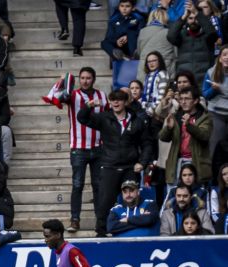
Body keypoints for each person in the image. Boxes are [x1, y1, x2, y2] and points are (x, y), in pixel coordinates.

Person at [77, 89, 152, 236]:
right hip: (109, 166)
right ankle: (101, 232)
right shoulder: (104, 118)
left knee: (131, 199)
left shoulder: (137, 120)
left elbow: (147, 143)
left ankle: (131, 229)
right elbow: (82, 118)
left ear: (125, 102)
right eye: (112, 100)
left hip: (130, 167)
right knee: (105, 201)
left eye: (119, 99)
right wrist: (89, 106)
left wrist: (142, 163)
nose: (115, 102)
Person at [43, 67, 108, 233]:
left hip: (98, 147)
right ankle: (75, 220)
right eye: (82, 78)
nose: (85, 81)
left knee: (98, 185)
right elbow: (54, 98)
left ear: (94, 79)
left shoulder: (102, 95)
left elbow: (109, 116)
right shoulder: (73, 94)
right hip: (78, 147)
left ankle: (100, 221)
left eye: (88, 78)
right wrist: (62, 82)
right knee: (77, 185)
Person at [159, 86, 212, 186]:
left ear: (196, 100)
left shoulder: (205, 117)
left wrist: (189, 125)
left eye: (187, 99)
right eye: (181, 99)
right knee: (175, 195)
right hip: (177, 161)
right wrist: (168, 128)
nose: (183, 102)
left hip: (196, 162)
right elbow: (163, 137)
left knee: (195, 195)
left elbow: (204, 136)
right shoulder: (176, 116)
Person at [167, 3, 218, 85]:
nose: (193, 21)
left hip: (203, 81)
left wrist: (198, 13)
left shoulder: (207, 36)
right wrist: (183, 18)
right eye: (190, 18)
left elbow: (213, 34)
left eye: (196, 18)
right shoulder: (182, 36)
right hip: (186, 82)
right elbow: (170, 36)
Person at [203, 47, 228, 172]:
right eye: (224, 54)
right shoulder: (211, 72)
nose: (227, 57)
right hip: (216, 114)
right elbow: (205, 95)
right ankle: (212, 183)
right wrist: (214, 89)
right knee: (214, 148)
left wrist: (221, 89)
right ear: (219, 58)